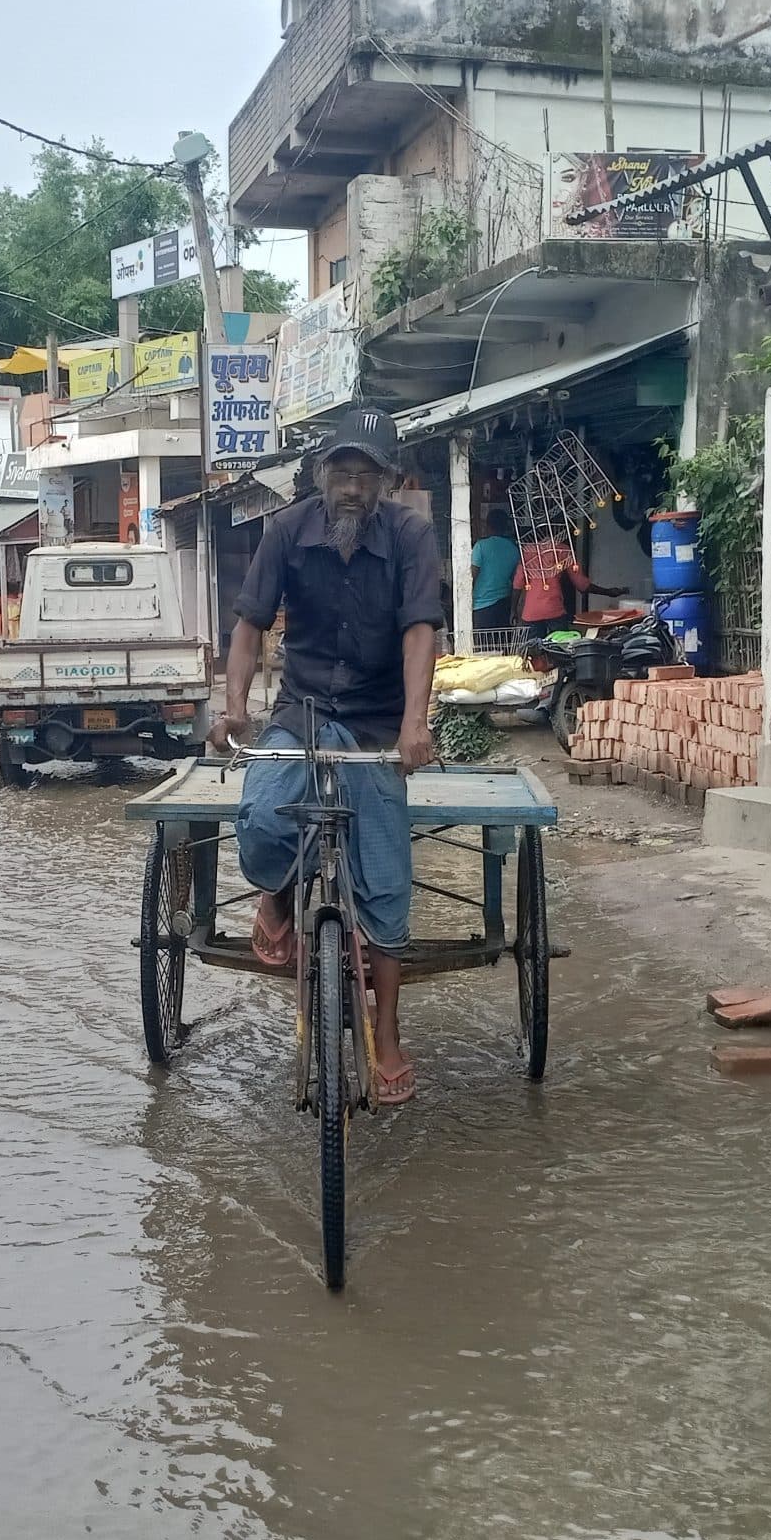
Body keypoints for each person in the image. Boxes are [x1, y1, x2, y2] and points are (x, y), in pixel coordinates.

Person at [210, 406, 442, 1106]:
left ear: (387, 482)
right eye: (341, 472)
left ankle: (390, 1032)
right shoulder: (285, 530)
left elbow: (419, 633)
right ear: (319, 475)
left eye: (365, 474)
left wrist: (414, 723)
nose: (351, 487)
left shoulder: (411, 537)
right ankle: (276, 900)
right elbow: (250, 627)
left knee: (388, 881)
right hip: (301, 712)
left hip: (375, 726)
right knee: (263, 818)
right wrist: (233, 706)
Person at [514, 531, 595, 639]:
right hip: (554, 609)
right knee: (560, 649)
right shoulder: (563, 550)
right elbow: (582, 585)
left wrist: (513, 610)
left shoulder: (527, 552)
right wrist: (608, 592)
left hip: (531, 611)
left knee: (533, 652)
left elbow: (517, 584)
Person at [470, 511, 520, 643]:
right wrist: (514, 609)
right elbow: (517, 582)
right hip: (504, 604)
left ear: (487, 526)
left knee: (482, 650)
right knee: (502, 650)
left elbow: (472, 576)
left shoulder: (480, 546)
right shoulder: (513, 549)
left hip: (482, 607)